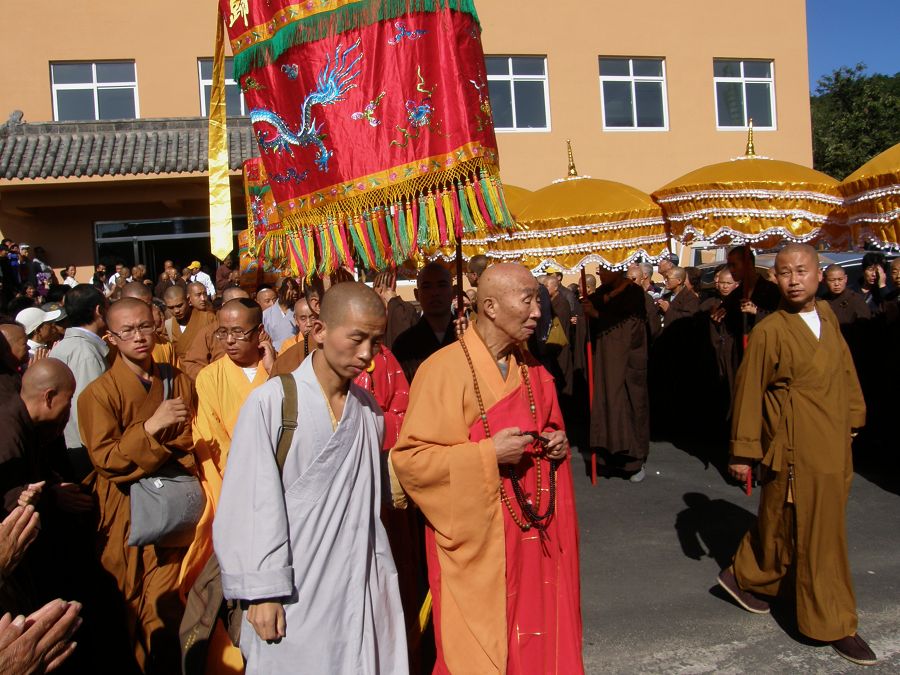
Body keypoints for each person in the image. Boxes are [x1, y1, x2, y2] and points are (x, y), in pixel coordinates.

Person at [392, 263, 583, 675]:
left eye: (538, 299)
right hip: (478, 545)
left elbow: (549, 425)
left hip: (532, 537)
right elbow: (412, 463)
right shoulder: (442, 371)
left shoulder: (535, 370)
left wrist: (556, 444)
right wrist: (486, 455)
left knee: (537, 642)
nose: (538, 312)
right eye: (528, 300)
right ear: (491, 307)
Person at [213, 283, 407, 674]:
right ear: (318, 330)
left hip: (360, 579)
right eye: (356, 339)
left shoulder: (367, 409)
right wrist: (263, 592)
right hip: (295, 589)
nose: (367, 354)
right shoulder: (273, 403)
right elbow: (250, 503)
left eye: (375, 341)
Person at [719, 244, 876, 666]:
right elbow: (749, 390)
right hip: (795, 443)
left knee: (783, 519)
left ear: (819, 274)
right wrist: (743, 451)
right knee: (821, 536)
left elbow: (845, 369)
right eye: (784, 272)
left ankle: (746, 573)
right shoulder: (771, 330)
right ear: (777, 279)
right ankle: (834, 622)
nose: (793, 279)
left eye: (801, 271)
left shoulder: (827, 316)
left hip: (834, 440)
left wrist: (854, 415)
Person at [78, 298, 197, 673]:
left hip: (172, 504)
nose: (138, 337)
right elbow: (107, 460)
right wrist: (150, 428)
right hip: (125, 508)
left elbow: (192, 436)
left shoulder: (176, 379)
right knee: (125, 600)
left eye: (145, 326)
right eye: (127, 331)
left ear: (156, 325)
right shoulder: (97, 393)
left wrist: (161, 442)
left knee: (166, 603)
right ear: (111, 337)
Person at [180, 298, 274, 672]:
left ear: (259, 332)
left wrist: (276, 369)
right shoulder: (210, 377)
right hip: (233, 491)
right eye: (224, 332)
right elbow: (210, 439)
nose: (230, 340)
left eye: (239, 332)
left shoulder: (280, 370)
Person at [582, 267, 651, 482]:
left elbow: (632, 327)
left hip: (626, 365)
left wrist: (597, 315)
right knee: (606, 406)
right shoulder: (605, 289)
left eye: (604, 270)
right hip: (605, 364)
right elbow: (590, 304)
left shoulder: (634, 293)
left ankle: (633, 462)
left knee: (629, 408)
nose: (600, 274)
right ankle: (606, 459)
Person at [48, 285, 109, 482]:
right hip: (87, 453)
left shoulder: (69, 346)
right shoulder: (85, 353)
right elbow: (89, 413)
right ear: (99, 310)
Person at [391, 262, 457, 382]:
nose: (435, 292)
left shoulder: (467, 336)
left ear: (452, 292)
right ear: (417, 294)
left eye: (441, 285)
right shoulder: (404, 344)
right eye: (427, 287)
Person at [181, 286, 250, 380]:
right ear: (225, 305)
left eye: (249, 304)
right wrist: (214, 379)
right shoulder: (210, 332)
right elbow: (191, 364)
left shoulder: (256, 330)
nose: (245, 309)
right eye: (239, 304)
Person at [163, 284, 217, 366]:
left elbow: (217, 350)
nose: (176, 311)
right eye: (171, 308)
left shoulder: (208, 318)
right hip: (180, 374)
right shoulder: (168, 325)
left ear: (188, 300)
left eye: (179, 305)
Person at [262, 279, 299, 352]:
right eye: (291, 289)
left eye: (296, 289)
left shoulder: (299, 311)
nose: (295, 292)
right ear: (279, 291)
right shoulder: (266, 314)